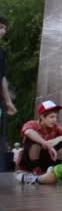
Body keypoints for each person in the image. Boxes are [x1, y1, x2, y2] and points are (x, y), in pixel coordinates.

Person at [17, 101, 62, 175]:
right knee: (33, 138)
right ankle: (35, 168)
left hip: (45, 160)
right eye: (52, 117)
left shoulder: (55, 126)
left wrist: (56, 140)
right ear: (42, 117)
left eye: (56, 117)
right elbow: (28, 132)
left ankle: (53, 168)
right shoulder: (32, 124)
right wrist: (47, 145)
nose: (55, 120)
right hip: (28, 162)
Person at [0, 15, 17, 171]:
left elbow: (2, 78)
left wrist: (8, 101)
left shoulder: (1, 52)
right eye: (0, 27)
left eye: (4, 28)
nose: (3, 31)